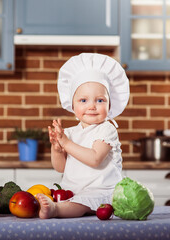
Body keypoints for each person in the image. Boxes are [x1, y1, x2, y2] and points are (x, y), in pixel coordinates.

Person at [37, 53, 130, 219]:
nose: (92, 106)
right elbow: (61, 168)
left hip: (102, 191)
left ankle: (55, 210)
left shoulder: (107, 130)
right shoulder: (70, 133)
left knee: (81, 204)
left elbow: (95, 159)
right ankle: (58, 206)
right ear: (72, 105)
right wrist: (57, 149)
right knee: (73, 200)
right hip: (72, 191)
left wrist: (65, 143)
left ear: (110, 105)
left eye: (100, 100)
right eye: (83, 100)